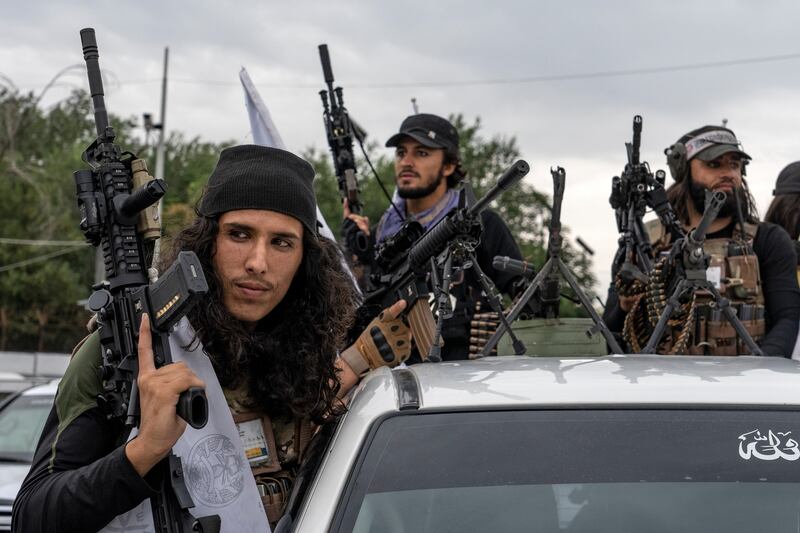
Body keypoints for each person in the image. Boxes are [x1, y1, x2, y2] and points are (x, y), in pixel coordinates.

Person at [12, 146, 410, 532]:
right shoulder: (131, 351)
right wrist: (143, 450)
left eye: (282, 242)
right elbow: (33, 516)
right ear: (208, 246)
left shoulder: (306, 358)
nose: (258, 262)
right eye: (239, 234)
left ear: (305, 260)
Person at [603, 125, 800, 356]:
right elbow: (610, 331)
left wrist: (760, 375)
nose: (728, 173)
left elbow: (787, 318)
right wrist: (625, 307)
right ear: (682, 170)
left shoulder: (767, 240)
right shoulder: (646, 241)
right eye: (714, 164)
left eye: (734, 165)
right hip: (660, 384)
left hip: (742, 385)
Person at [343, 113, 526, 361]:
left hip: (467, 382)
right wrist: (356, 254)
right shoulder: (380, 234)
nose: (406, 162)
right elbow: (354, 313)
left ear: (448, 165)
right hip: (392, 385)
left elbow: (526, 297)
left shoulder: (480, 224)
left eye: (421, 153)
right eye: (400, 152)